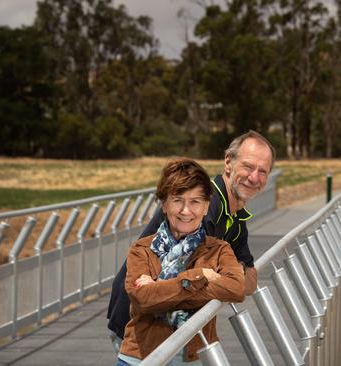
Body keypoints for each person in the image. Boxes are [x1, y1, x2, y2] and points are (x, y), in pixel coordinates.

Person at [108, 130, 276, 351]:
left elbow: (248, 281)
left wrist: (214, 279)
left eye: (262, 171)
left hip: (173, 332)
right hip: (139, 327)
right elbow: (190, 284)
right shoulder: (205, 206)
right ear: (228, 162)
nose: (254, 177)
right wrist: (215, 277)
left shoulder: (236, 218)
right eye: (248, 166)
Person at [116, 158, 245, 365]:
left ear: (206, 206)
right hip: (139, 358)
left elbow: (236, 288)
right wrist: (200, 276)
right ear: (164, 205)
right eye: (177, 200)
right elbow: (142, 299)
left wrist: (161, 288)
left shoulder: (219, 250)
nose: (186, 211)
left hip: (194, 358)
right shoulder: (142, 249)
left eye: (195, 202)